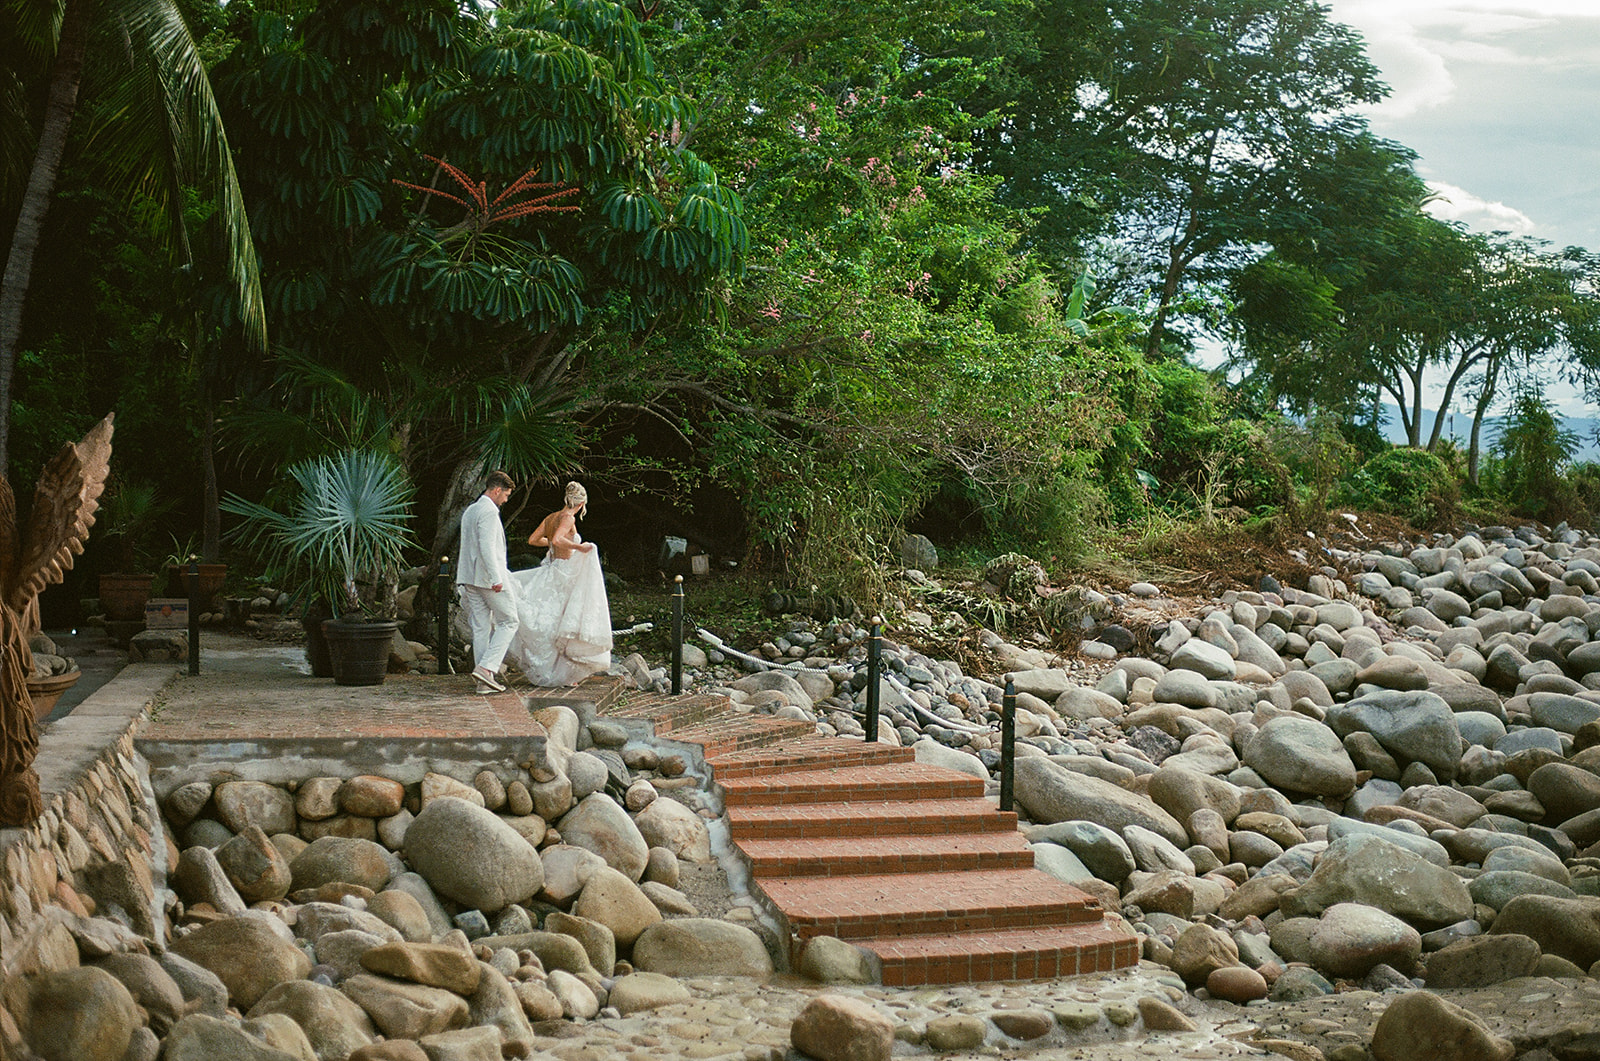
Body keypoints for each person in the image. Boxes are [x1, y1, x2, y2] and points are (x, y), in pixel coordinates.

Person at [505, 481, 612, 686]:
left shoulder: (551, 517)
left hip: (551, 569)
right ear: (581, 503)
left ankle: (553, 669)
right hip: (563, 572)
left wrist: (555, 543)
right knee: (561, 620)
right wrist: (578, 548)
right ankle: (559, 673)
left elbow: (534, 540)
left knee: (552, 620)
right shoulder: (568, 517)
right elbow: (557, 538)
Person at [455, 470, 519, 693]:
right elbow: (486, 548)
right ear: (497, 490)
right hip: (486, 578)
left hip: (469, 577)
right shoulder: (489, 512)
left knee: (481, 627)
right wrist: (496, 578)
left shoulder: (471, 510)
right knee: (509, 621)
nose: (505, 500)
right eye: (506, 495)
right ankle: (487, 668)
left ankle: (483, 683)